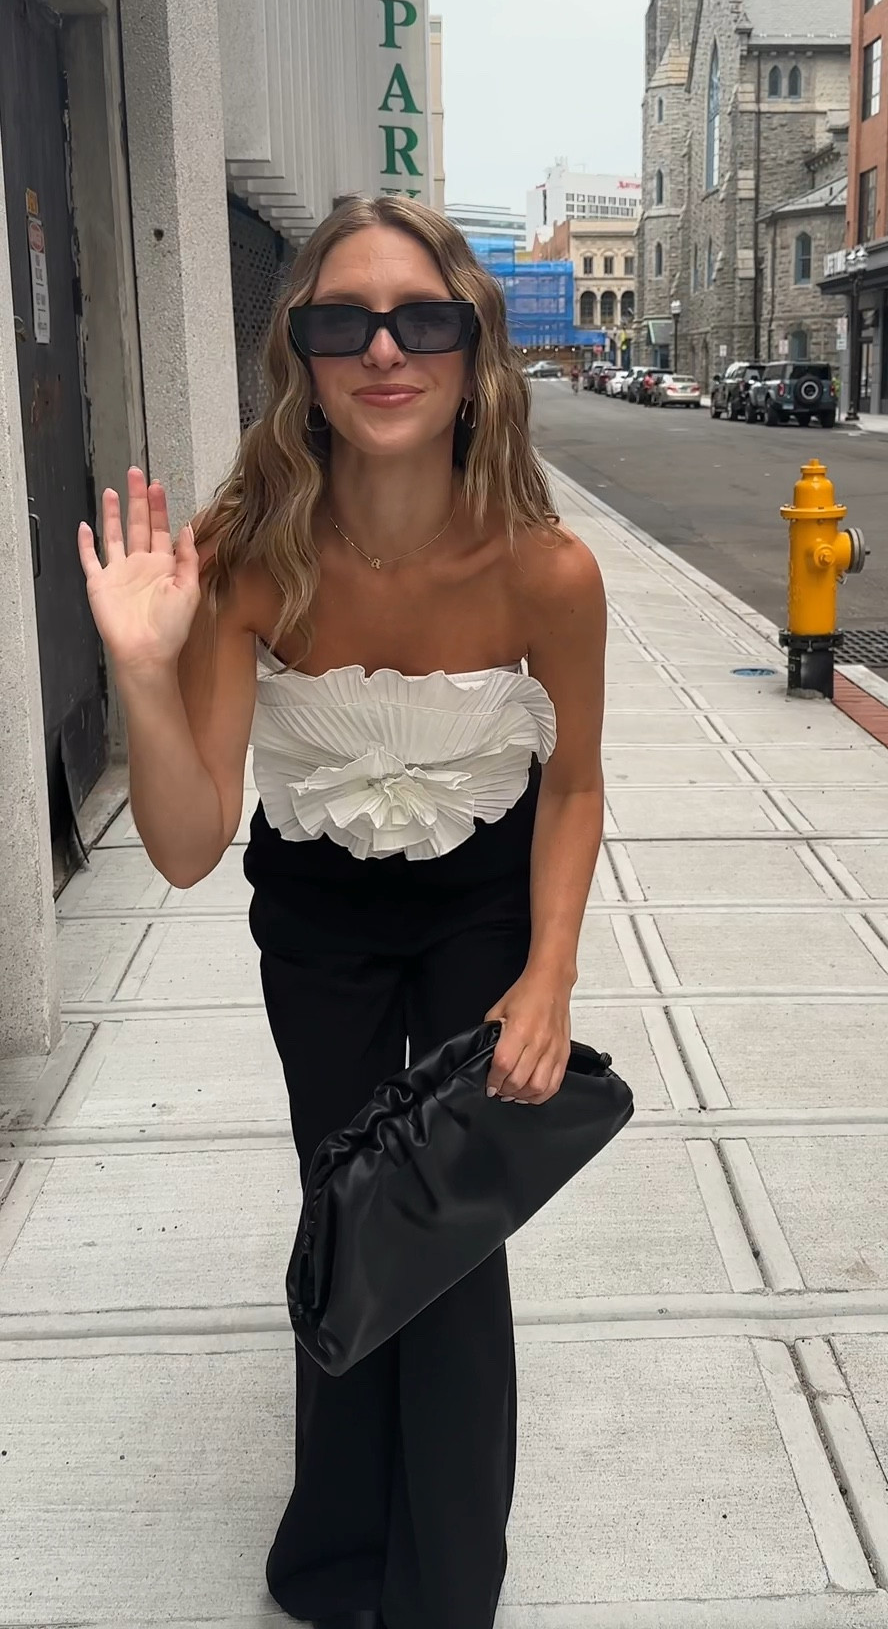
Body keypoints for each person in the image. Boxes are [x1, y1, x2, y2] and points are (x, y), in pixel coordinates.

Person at [77, 195, 607, 1629]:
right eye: (341, 322)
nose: (384, 350)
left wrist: (550, 972)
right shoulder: (248, 556)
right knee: (351, 1204)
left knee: (451, 1226)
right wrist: (141, 667)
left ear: (474, 351)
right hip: (314, 919)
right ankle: (331, 1554)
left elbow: (572, 790)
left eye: (420, 318)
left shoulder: (547, 571)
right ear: (298, 355)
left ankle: (445, 1588)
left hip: (484, 914)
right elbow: (188, 846)